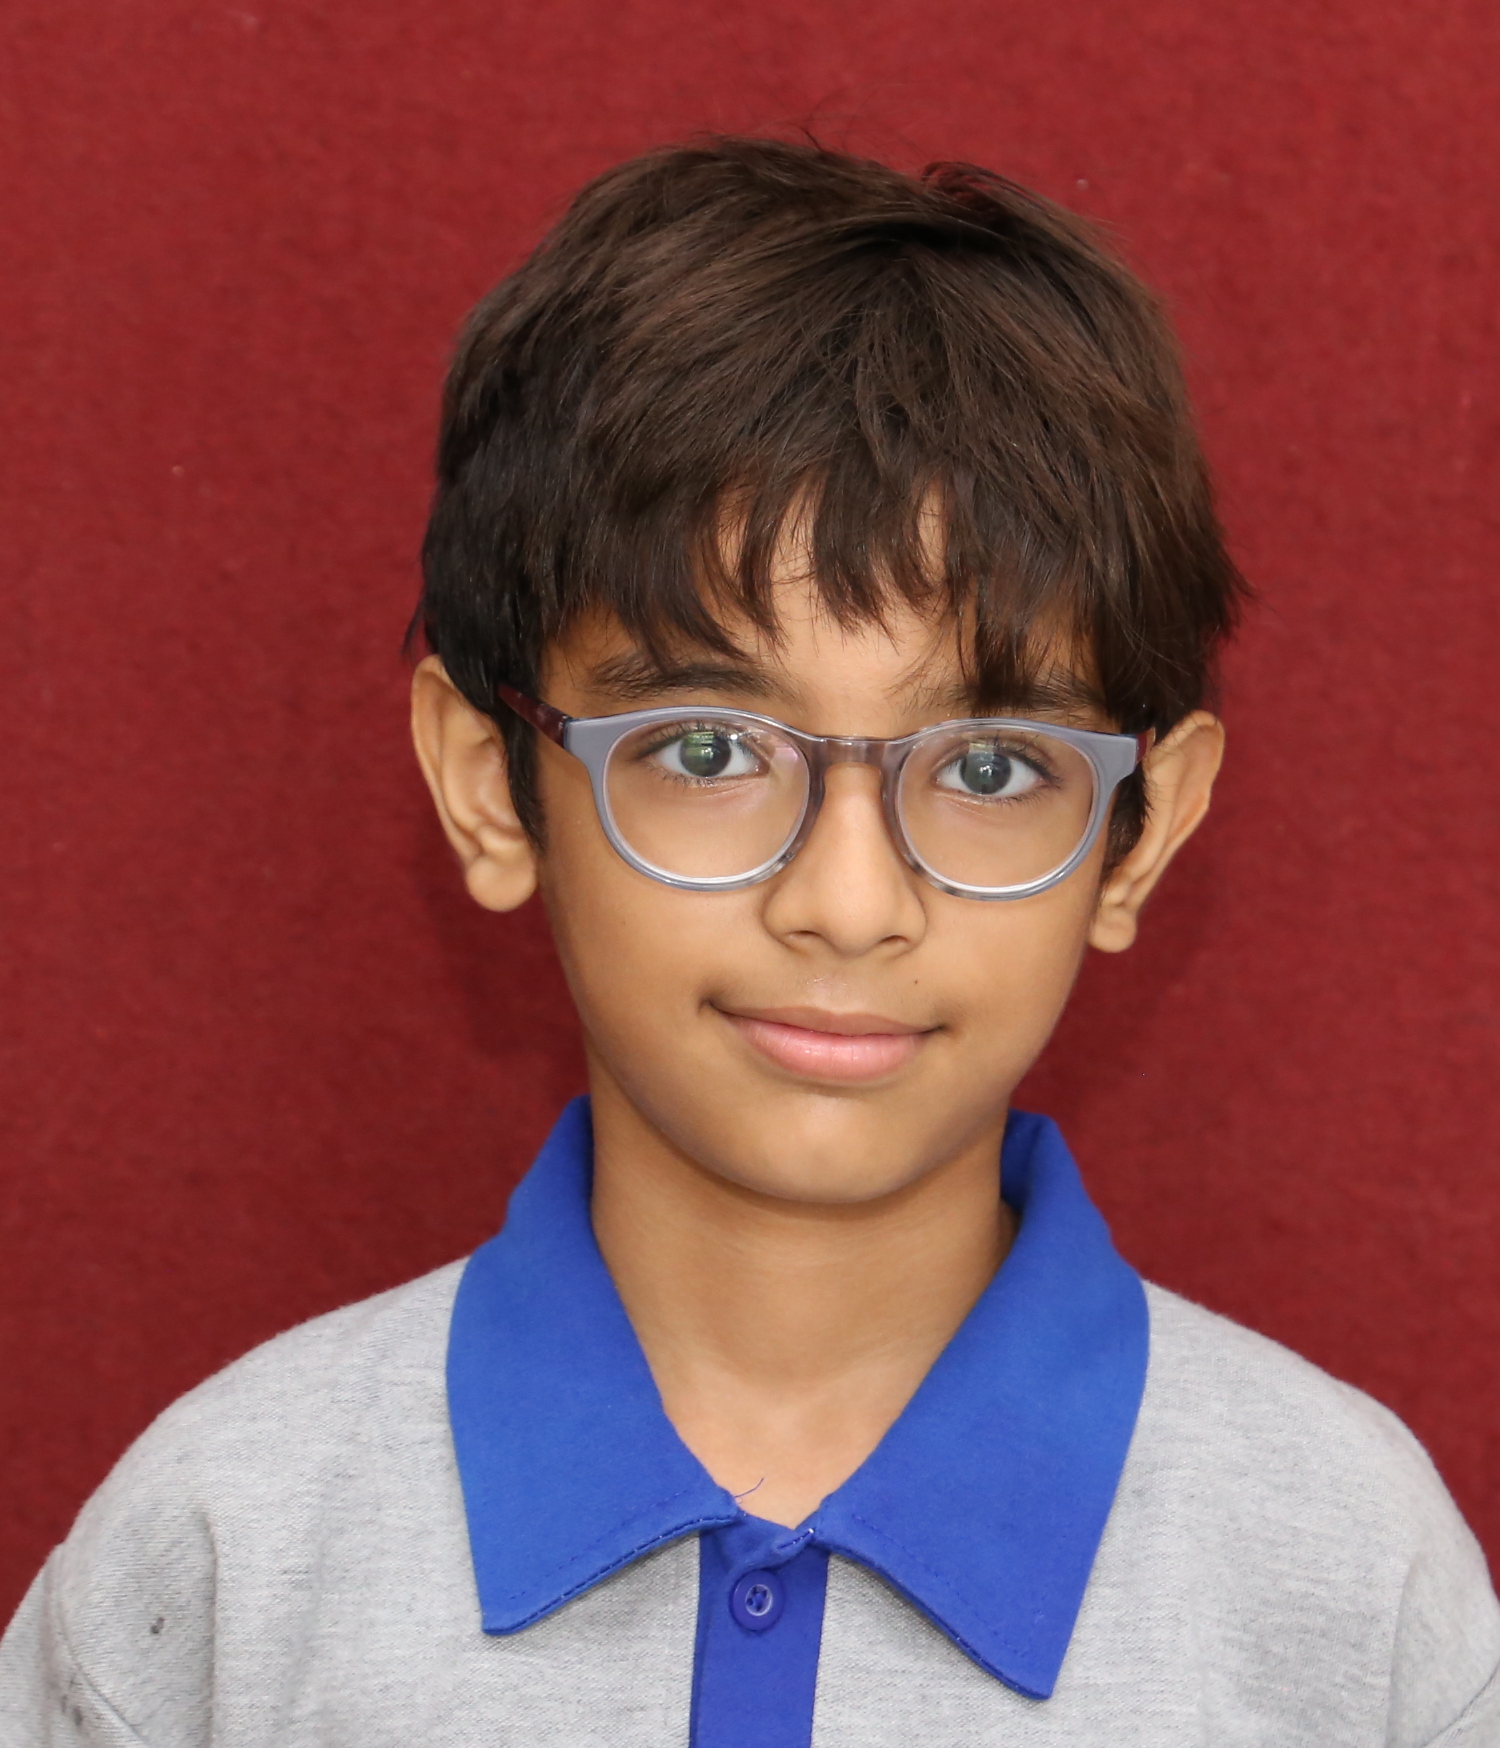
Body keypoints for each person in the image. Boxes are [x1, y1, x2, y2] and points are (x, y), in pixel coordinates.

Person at [2, 136, 1496, 1748]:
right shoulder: (223, 1560)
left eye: (994, 769)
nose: (848, 903)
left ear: (1145, 831)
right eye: (709, 750)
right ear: (490, 788)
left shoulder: (1349, 1588)